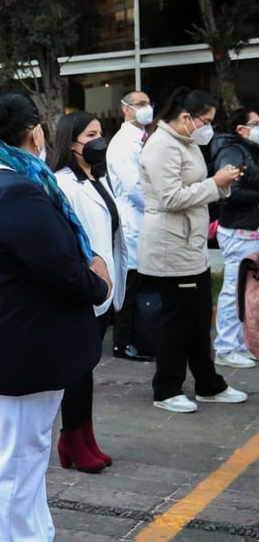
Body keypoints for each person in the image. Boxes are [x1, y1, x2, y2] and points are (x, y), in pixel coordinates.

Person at [0, 92, 110, 542]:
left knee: (24, 452)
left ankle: (33, 532)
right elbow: (63, 271)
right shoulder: (15, 190)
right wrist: (98, 280)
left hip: (16, 341)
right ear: (36, 133)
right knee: (22, 457)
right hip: (23, 347)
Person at [139, 87, 247, 413]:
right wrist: (216, 183)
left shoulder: (185, 142)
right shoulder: (162, 146)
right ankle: (166, 388)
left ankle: (208, 384)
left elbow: (196, 187)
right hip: (172, 247)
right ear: (186, 118)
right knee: (176, 322)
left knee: (199, 320)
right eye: (206, 121)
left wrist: (221, 182)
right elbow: (171, 198)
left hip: (191, 245)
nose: (209, 128)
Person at [50, 111, 128, 473]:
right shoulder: (63, 183)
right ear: (72, 143)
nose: (100, 141)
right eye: (91, 135)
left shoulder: (97, 178)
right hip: (85, 287)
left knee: (88, 366)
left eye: (101, 133)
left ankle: (86, 435)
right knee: (78, 368)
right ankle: (71, 439)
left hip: (105, 285)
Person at [106, 91, 156, 362]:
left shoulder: (144, 139)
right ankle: (123, 342)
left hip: (145, 220)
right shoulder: (124, 142)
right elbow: (133, 186)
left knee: (140, 283)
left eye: (148, 104)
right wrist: (158, 208)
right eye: (140, 104)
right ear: (126, 109)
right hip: (134, 220)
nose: (146, 109)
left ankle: (140, 337)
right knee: (130, 283)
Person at [210, 108, 259, 369]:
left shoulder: (248, 150)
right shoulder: (231, 152)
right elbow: (230, 192)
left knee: (246, 289)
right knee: (233, 289)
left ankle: (241, 343)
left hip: (248, 228)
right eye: (256, 123)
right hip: (238, 230)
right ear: (241, 129)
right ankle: (226, 347)